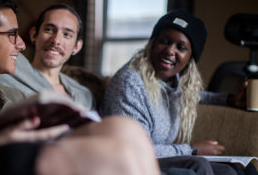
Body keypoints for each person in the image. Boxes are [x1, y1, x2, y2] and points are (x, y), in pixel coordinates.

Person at [0, 0, 162, 175]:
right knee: (117, 153)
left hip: (35, 153)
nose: (21, 45)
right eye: (12, 35)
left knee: (124, 128)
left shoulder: (13, 94)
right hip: (10, 162)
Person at [101, 10, 243, 175]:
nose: (169, 51)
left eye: (181, 47)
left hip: (151, 160)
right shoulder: (130, 82)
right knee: (198, 166)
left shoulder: (170, 81)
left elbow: (194, 95)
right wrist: (192, 150)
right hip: (127, 163)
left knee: (233, 171)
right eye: (164, 41)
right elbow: (135, 149)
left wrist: (229, 99)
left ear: (190, 58)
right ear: (153, 43)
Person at [0, 4, 95, 110]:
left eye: (66, 34)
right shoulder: (7, 69)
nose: (56, 41)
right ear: (34, 35)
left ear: (77, 46)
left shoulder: (85, 96)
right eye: (49, 30)